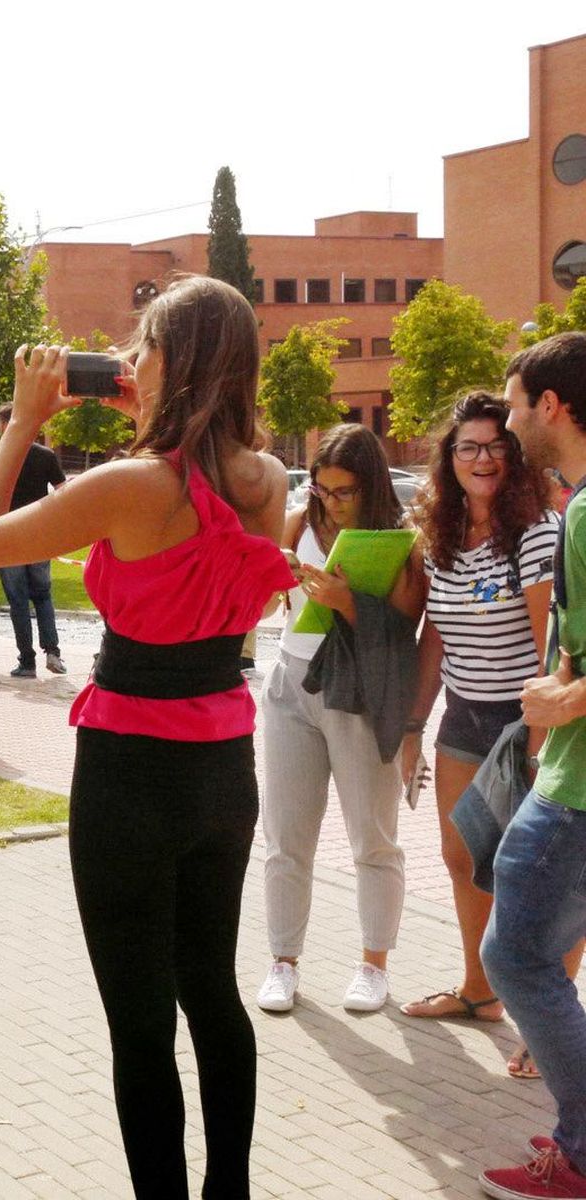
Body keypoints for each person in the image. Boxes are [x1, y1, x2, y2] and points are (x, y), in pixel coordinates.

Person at [0, 276, 292, 1199]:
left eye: (143, 347)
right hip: (225, 767)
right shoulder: (266, 483)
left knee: (140, 1026)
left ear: (173, 362)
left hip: (130, 775)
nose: (130, 361)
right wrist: (144, 389)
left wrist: (26, 419)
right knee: (213, 996)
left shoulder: (129, 486)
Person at [399, 392, 574, 1083]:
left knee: (536, 876)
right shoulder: (438, 532)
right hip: (464, 718)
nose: (482, 459)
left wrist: (536, 743)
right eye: (468, 446)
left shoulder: (534, 532)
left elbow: (546, 648)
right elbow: (434, 637)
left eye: (496, 446)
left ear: (516, 456)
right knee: (460, 854)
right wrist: (415, 724)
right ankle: (479, 992)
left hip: (521, 718)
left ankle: (548, 1026)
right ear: (450, 457)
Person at [257, 424, 423, 1016]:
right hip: (290, 686)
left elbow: (407, 626)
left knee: (373, 839)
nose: (328, 500)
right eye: (322, 489)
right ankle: (283, 960)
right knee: (285, 834)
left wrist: (348, 603)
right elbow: (255, 602)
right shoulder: (300, 523)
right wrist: (271, 574)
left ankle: (373, 964)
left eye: (343, 491)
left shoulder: (400, 539)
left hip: (359, 695)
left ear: (371, 485)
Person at [478, 331, 586, 1200]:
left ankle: (583, 1154)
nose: (510, 424)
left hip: (579, 788)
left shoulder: (585, 511)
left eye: (516, 405)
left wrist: (560, 703)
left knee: (515, 956)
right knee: (533, 954)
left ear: (552, 405)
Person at [0, 401, 68, 677]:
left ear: (6, 425)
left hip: (10, 536)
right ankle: (53, 652)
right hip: (38, 534)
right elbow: (63, 492)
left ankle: (27, 661)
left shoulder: (2, 457)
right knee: (43, 595)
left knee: (18, 601)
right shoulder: (45, 456)